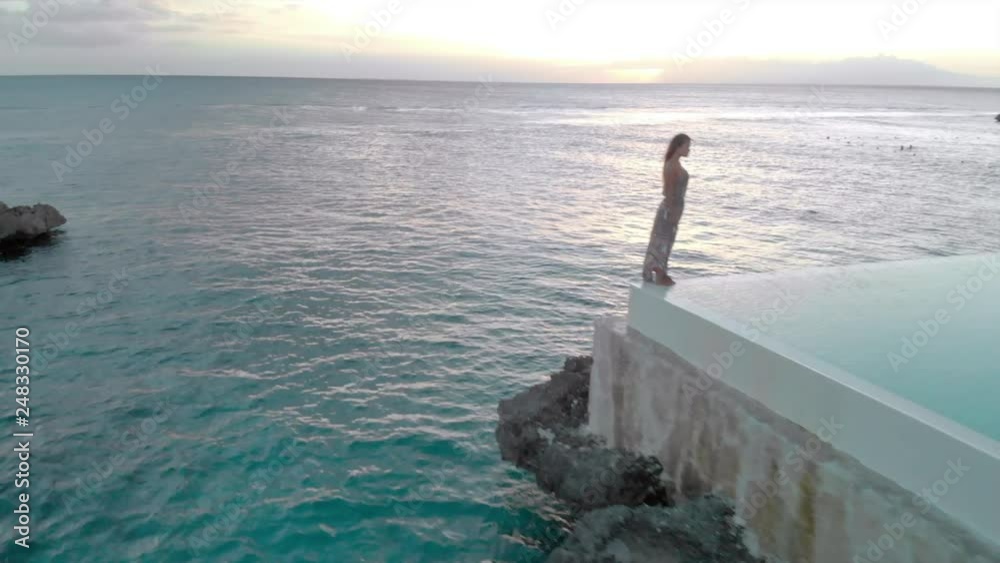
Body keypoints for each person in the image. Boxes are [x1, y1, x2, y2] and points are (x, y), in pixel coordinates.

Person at [642, 133, 691, 286]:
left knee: (665, 242)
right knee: (662, 242)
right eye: (687, 146)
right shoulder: (671, 165)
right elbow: (668, 192)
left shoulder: (675, 164)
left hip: (673, 210)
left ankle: (661, 273)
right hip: (668, 211)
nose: (689, 149)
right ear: (678, 147)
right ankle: (659, 274)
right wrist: (672, 212)